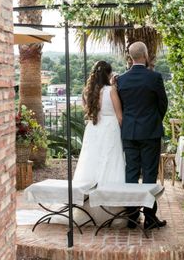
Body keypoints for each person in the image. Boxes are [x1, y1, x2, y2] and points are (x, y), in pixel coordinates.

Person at [117, 41, 168, 230]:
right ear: (145, 55)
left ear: (130, 57)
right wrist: (154, 120)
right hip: (150, 132)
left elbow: (121, 106)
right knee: (149, 174)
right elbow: (163, 104)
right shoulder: (154, 77)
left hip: (129, 132)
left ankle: (131, 217)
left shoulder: (121, 80)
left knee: (131, 173)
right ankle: (149, 218)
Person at [72, 60, 126, 223]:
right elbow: (120, 116)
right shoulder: (111, 91)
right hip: (110, 130)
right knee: (111, 164)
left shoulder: (87, 91)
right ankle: (113, 212)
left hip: (93, 129)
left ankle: (86, 211)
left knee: (91, 164)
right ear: (109, 74)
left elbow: (89, 110)